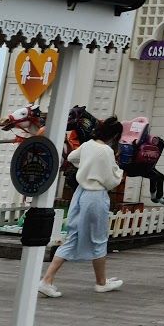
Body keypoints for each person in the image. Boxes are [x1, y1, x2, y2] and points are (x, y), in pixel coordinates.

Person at [38, 115, 125, 297]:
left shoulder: (87, 145)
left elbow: (71, 157)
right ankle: (101, 282)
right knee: (99, 238)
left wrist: (85, 166)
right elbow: (111, 180)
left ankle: (47, 280)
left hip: (80, 194)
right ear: (115, 135)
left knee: (73, 236)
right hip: (96, 196)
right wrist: (119, 171)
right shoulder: (107, 151)